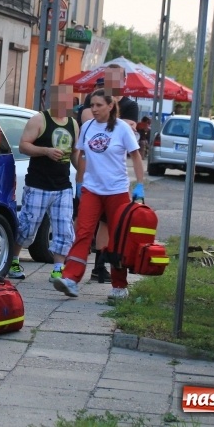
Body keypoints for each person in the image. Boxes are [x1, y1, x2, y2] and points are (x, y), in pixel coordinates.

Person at [54, 88, 145, 299]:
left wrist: (140, 185)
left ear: (110, 106)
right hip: (92, 190)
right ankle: (70, 279)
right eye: (91, 105)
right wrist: (79, 182)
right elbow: (83, 156)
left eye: (98, 105)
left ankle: (119, 286)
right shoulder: (86, 127)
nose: (93, 109)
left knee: (118, 238)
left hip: (117, 191)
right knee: (83, 232)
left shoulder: (122, 129)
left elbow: (136, 157)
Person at [8, 83, 79, 282]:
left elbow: (75, 153)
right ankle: (13, 260)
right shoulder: (39, 120)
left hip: (63, 185)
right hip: (38, 184)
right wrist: (46, 151)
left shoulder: (73, 124)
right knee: (27, 227)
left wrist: (84, 172)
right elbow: (23, 145)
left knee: (64, 228)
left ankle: (58, 268)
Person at [79, 64, 139, 283]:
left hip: (114, 178)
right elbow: (86, 119)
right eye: (108, 76)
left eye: (116, 77)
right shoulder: (94, 98)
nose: (112, 80)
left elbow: (130, 127)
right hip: (91, 175)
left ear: (124, 80)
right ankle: (77, 268)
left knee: (110, 225)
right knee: (86, 225)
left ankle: (101, 265)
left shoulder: (130, 105)